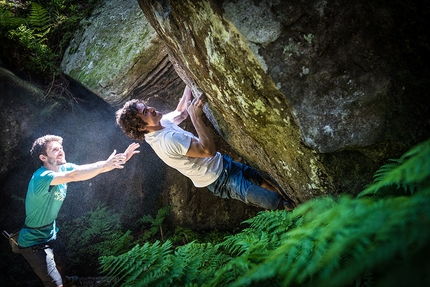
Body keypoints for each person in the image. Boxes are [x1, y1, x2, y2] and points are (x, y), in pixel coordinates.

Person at [115, 86, 294, 211]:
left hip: (223, 164)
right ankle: (299, 213)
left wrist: (187, 79)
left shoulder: (161, 123)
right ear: (141, 127)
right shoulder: (166, 141)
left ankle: (293, 202)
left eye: (146, 106)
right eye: (146, 112)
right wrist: (196, 119)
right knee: (272, 201)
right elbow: (208, 150)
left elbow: (183, 111)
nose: (152, 109)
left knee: (260, 179)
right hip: (219, 180)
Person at [17, 135, 140, 287]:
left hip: (51, 232)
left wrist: (116, 162)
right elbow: (74, 176)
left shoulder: (64, 168)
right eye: (55, 150)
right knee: (55, 284)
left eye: (61, 148)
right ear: (43, 157)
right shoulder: (41, 177)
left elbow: (87, 169)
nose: (61, 151)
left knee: (62, 262)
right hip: (33, 242)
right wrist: (106, 165)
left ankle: (66, 281)